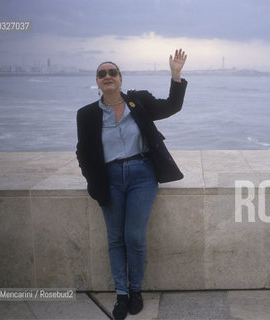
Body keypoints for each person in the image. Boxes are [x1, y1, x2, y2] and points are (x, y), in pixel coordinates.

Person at [76, 49, 187, 320]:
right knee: (115, 239)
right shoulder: (87, 114)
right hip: (109, 178)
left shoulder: (139, 101)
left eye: (112, 72)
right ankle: (122, 295)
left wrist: (175, 75)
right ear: (97, 81)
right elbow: (83, 152)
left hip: (142, 175)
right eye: (102, 74)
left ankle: (136, 290)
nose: (107, 76)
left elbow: (172, 106)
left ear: (121, 78)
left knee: (134, 237)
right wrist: (93, 182)